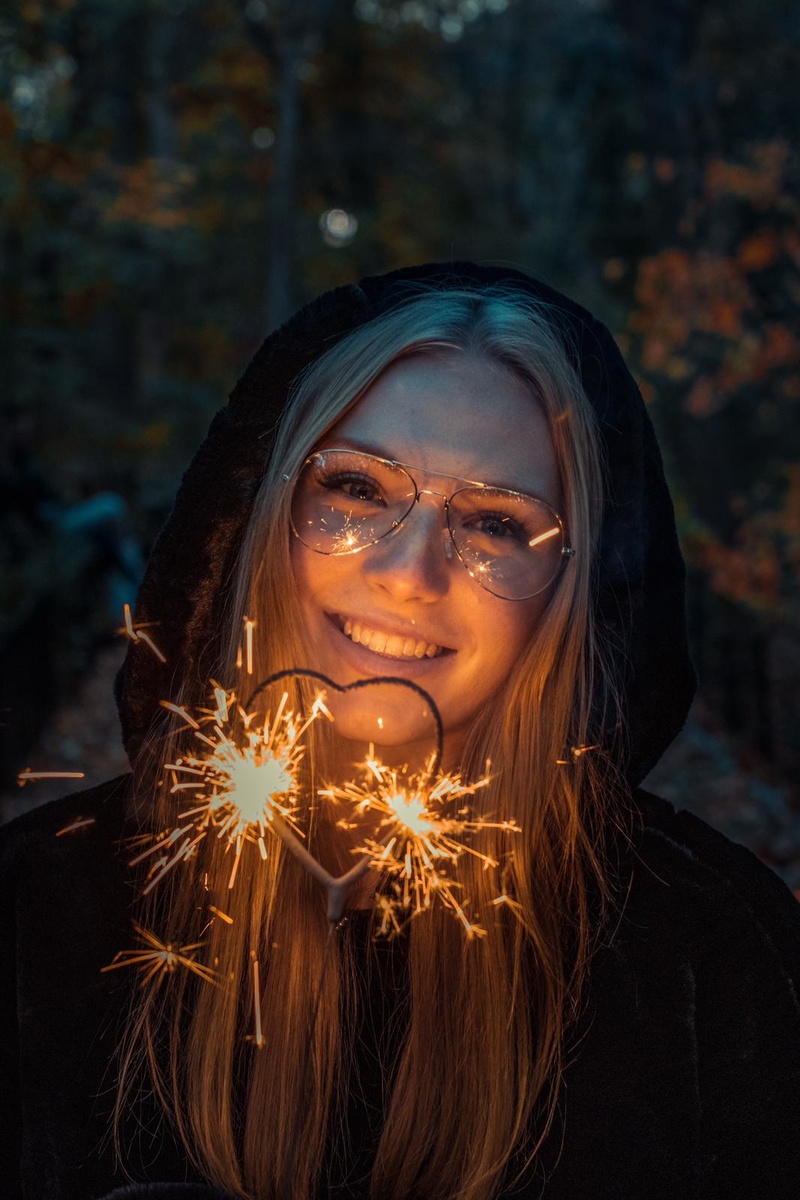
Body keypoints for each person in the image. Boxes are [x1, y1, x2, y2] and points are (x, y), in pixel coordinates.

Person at [2, 262, 799, 1200]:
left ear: (576, 593)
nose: (410, 572)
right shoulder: (37, 921)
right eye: (357, 488)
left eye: (498, 523)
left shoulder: (710, 961)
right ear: (261, 517)